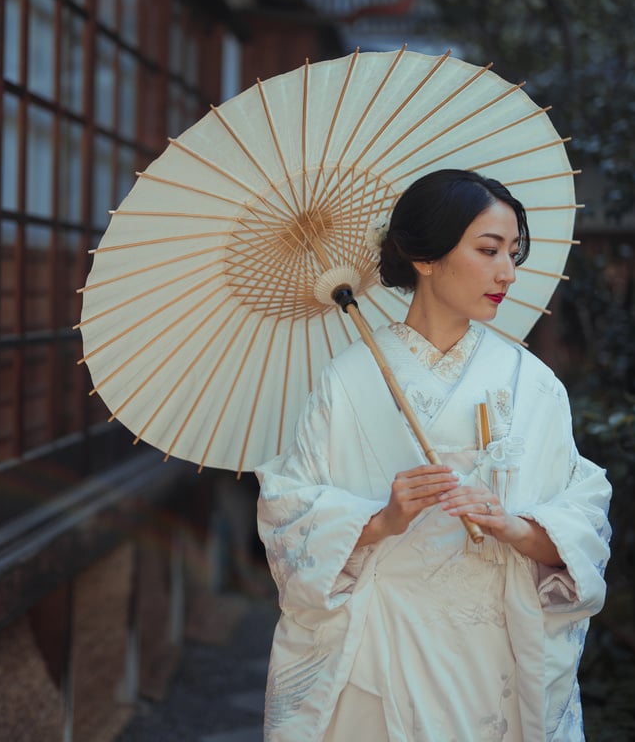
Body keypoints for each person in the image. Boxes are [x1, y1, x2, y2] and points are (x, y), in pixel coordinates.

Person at [254, 169, 612, 741]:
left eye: (513, 253)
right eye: (488, 249)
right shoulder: (349, 380)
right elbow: (288, 514)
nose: (506, 272)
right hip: (381, 642)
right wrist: (381, 519)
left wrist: (515, 528)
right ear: (425, 258)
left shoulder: (532, 384)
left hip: (492, 647)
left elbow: (584, 518)